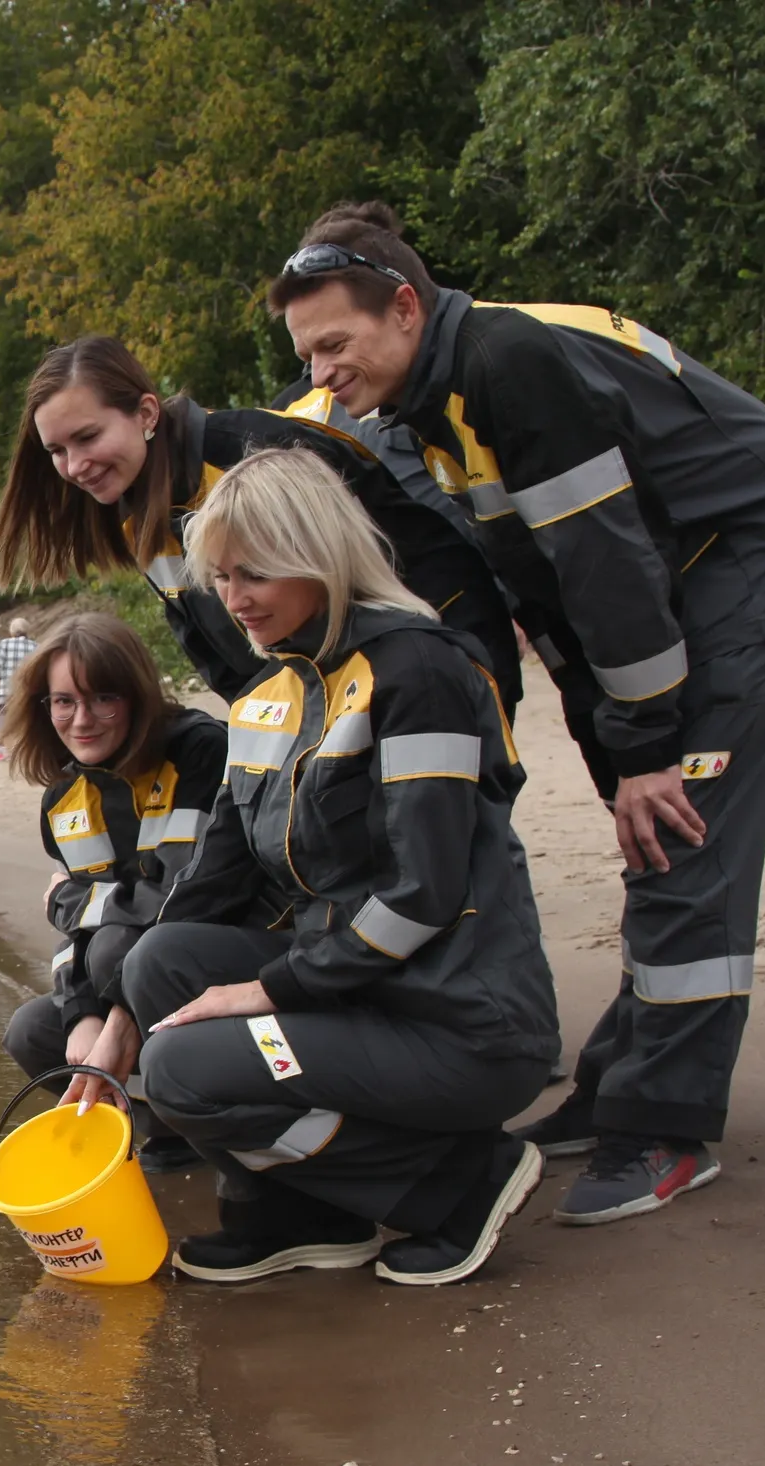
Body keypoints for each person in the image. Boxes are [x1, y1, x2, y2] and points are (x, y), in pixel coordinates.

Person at [269, 201, 765, 1226]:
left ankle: (664, 1126)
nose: (320, 373)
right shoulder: (427, 399)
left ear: (402, 308)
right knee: (647, 815)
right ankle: (620, 1078)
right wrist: (614, 750)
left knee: (682, 831)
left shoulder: (506, 363)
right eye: (304, 354)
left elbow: (604, 563)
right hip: (669, 578)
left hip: (753, 559)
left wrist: (650, 749)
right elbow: (544, 586)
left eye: (333, 345)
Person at [124, 448, 560, 1286]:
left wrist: (268, 990)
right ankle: (299, 1213)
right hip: (358, 1000)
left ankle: (457, 1184)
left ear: (318, 554)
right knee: (157, 963)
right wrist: (115, 1016)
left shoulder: (419, 670)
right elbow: (209, 886)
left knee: (181, 1071)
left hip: (459, 1024)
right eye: (221, 577)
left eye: (255, 572)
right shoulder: (267, 698)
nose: (234, 600)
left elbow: (423, 895)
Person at [0, 335, 517, 712]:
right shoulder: (135, 513)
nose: (75, 466)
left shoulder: (259, 454)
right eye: (57, 451)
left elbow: (416, 563)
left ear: (145, 414)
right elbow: (219, 658)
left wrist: (466, 678)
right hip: (325, 706)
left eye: (88, 437)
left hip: (434, 671)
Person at [0, 611, 263, 1172]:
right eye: (64, 701)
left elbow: (184, 898)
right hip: (134, 965)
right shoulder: (63, 798)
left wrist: (66, 902)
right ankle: (164, 1127)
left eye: (103, 699)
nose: (82, 720)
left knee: (119, 947)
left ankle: (213, 1116)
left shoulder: (198, 751)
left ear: (137, 696)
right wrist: (81, 1015)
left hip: (227, 954)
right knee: (32, 1032)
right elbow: (84, 932)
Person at [0, 617, 36, 716]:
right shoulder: (35, 646)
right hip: (27, 693)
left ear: (12, 631)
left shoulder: (4, 644)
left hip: (6, 691)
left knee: (4, 722)